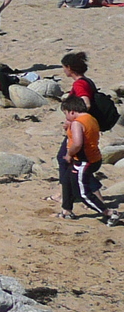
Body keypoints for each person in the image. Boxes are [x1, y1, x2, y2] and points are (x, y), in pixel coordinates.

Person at [59, 95, 116, 223]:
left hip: (84, 160)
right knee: (67, 180)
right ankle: (67, 210)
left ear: (72, 111)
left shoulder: (77, 123)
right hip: (93, 158)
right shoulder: (90, 118)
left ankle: (108, 213)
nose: (66, 117)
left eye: (66, 114)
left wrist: (69, 154)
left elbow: (78, 143)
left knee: (82, 192)